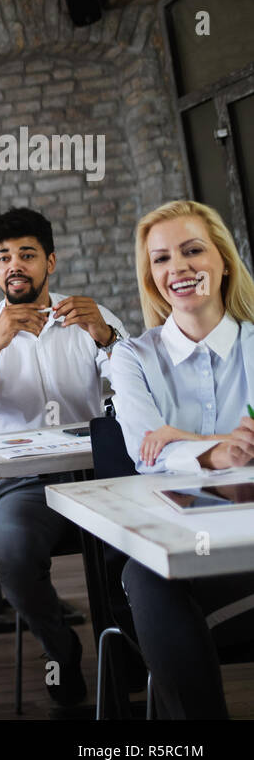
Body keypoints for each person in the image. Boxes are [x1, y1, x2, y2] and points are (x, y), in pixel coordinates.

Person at [0, 208, 129, 707]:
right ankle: (60, 648)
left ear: (50, 261)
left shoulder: (91, 315)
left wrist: (108, 339)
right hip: (25, 487)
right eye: (3, 257)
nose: (14, 266)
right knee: (10, 552)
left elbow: (142, 395)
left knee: (134, 554)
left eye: (27, 254)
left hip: (101, 478)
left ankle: (129, 659)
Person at [109, 199, 254, 719]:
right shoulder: (132, 357)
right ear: (151, 276)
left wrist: (183, 439)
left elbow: (167, 447)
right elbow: (146, 452)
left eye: (193, 251)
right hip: (184, 555)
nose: (179, 269)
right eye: (163, 259)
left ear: (223, 261)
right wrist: (221, 446)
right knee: (144, 577)